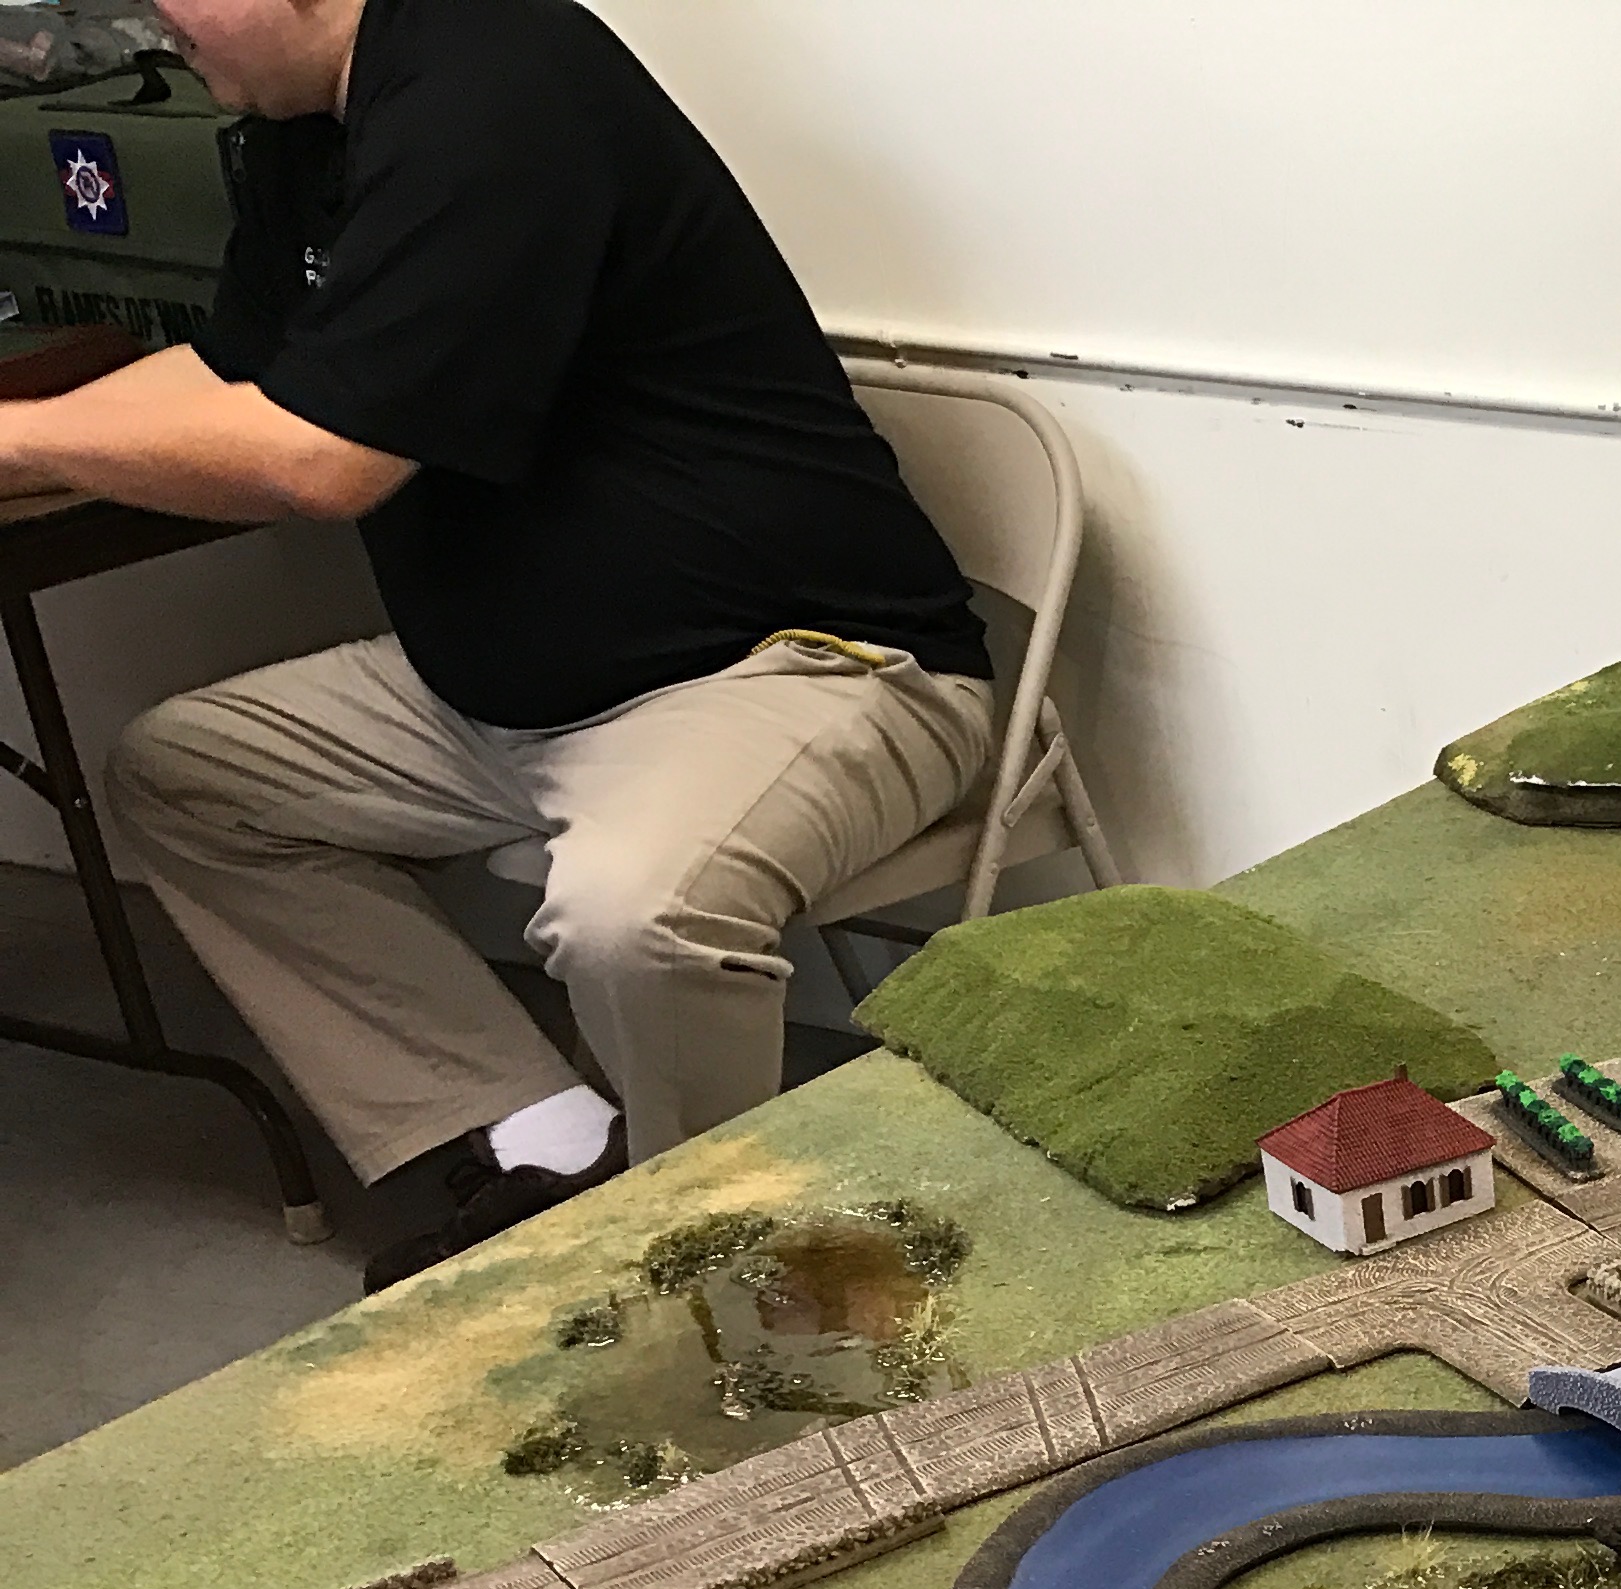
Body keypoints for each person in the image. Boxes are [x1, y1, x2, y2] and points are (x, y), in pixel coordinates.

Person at [0, 0, 999, 1285]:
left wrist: (25, 443)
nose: (150, 17)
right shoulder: (309, 126)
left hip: (793, 666)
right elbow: (230, 374)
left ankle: (709, 1280)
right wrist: (21, 452)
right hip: (511, 693)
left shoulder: (492, 81)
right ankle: (559, 1145)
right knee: (189, 777)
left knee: (638, 918)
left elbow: (323, 463)